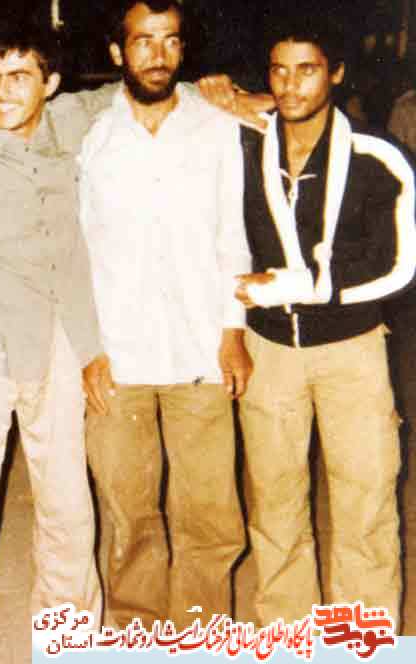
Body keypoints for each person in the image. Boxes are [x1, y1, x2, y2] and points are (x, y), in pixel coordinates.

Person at [0, 21, 111, 661]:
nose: (1, 91)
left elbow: (134, 92)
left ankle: (68, 648)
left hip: (55, 339)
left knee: (66, 506)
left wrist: (222, 91)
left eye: (18, 77)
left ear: (51, 84)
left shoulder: (73, 122)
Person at [236, 16, 416, 626]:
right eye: (279, 71)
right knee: (275, 509)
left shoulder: (379, 155)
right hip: (268, 353)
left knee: (365, 505)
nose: (290, 86)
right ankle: (287, 637)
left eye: (307, 70)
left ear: (335, 74)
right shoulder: (245, 146)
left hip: (353, 352)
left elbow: (400, 266)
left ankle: (362, 642)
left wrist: (301, 286)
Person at [78, 0, 250, 629]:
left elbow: (234, 233)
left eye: (170, 40)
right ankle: (139, 634)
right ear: (117, 51)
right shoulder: (91, 135)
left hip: (200, 348)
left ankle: (201, 634)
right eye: (143, 40)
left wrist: (232, 332)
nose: (158, 55)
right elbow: (74, 247)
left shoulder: (216, 124)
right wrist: (87, 346)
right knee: (130, 516)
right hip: (117, 355)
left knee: (209, 515)